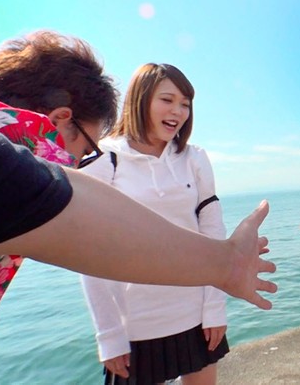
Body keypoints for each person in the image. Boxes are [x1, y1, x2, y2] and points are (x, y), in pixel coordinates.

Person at [0, 29, 119, 381]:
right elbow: (98, 232)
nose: (76, 165)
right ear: (59, 120)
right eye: (85, 151)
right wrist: (222, 264)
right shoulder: (12, 149)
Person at [79, 63, 229, 385]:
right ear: (141, 99)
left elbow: (213, 234)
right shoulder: (105, 159)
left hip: (195, 313)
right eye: (167, 100)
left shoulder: (194, 158)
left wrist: (214, 308)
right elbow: (88, 253)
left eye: (185, 104)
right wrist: (109, 334)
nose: (178, 111)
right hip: (136, 323)